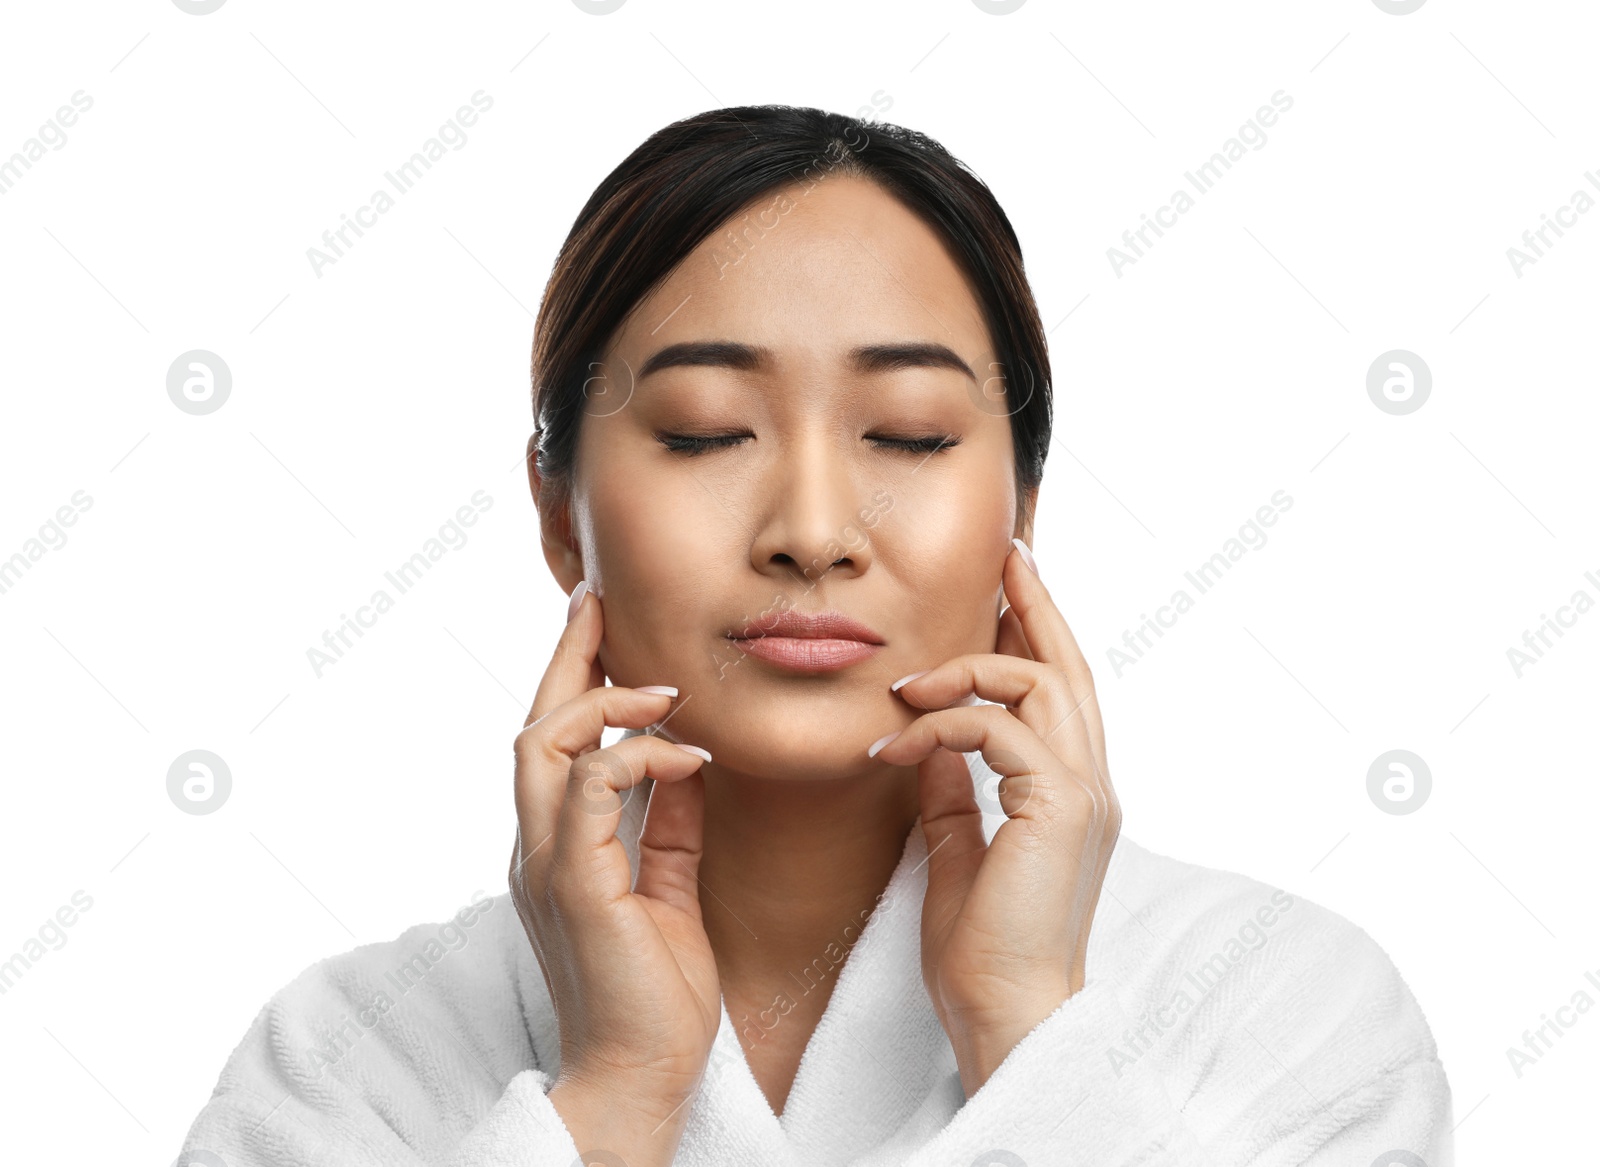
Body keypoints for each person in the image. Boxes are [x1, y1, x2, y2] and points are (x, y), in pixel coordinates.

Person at [180, 104, 1453, 1166]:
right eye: (700, 431)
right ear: (560, 517)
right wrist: (611, 1099)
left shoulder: (1284, 1009)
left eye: (906, 434)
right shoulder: (349, 1059)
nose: (812, 529)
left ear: (1023, 508)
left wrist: (1030, 1037)